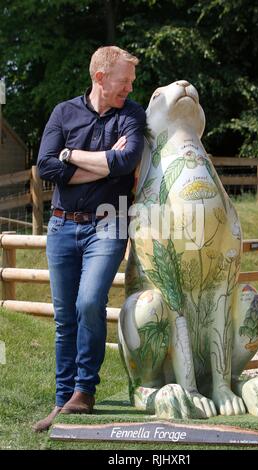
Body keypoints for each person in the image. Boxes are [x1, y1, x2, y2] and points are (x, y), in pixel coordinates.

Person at [33, 46, 146, 432]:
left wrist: (72, 156)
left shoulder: (131, 114)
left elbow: (125, 162)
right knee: (65, 317)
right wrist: (98, 164)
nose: (130, 87)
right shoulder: (64, 113)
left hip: (110, 222)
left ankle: (84, 390)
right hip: (62, 224)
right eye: (124, 80)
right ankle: (62, 400)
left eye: (131, 81)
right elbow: (47, 167)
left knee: (89, 301)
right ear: (100, 77)